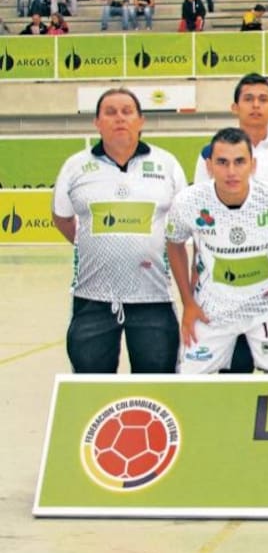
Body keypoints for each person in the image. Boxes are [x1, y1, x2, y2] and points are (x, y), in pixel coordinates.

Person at [51, 89, 187, 373]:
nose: (119, 118)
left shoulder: (167, 164)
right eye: (110, 112)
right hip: (93, 300)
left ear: (141, 120)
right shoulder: (75, 167)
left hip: (154, 298)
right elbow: (63, 219)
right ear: (97, 123)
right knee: (92, 390)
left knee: (157, 388)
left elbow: (180, 226)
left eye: (127, 111)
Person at [166, 128, 268, 374]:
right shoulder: (188, 202)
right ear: (210, 166)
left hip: (267, 305)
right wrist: (188, 302)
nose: (231, 171)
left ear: (252, 165)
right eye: (222, 162)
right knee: (189, 382)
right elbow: (174, 243)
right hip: (211, 308)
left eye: (239, 162)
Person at [192, 74, 268, 373]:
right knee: (235, 371)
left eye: (263, 99)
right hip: (225, 287)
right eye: (248, 99)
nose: (256, 105)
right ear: (234, 107)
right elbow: (198, 223)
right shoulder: (212, 154)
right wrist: (192, 292)